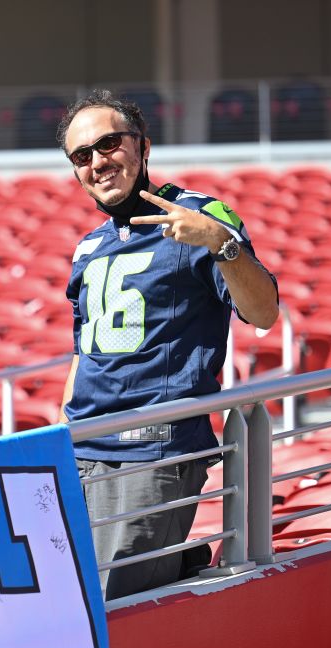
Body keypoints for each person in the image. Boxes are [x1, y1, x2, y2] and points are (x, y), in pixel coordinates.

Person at [54, 90, 280, 601]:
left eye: (109, 144)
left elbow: (264, 313)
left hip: (150, 449)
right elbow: (82, 348)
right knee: (78, 604)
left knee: (111, 611)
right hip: (82, 449)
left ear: (143, 147)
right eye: (81, 156)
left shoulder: (201, 217)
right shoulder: (90, 244)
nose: (97, 162)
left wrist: (219, 242)